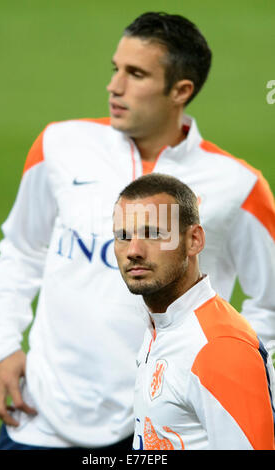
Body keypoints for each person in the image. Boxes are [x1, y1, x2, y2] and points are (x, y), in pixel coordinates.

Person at [0, 12, 275, 450]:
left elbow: (269, 302)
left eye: (135, 74)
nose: (114, 86)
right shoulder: (59, 146)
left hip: (158, 429)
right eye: (115, 69)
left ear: (181, 91)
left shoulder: (239, 186)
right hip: (41, 420)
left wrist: (242, 384)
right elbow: (23, 249)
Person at [113, 173, 275, 450]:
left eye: (153, 234)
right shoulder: (164, 325)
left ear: (194, 240)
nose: (134, 251)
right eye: (124, 236)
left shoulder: (219, 348)